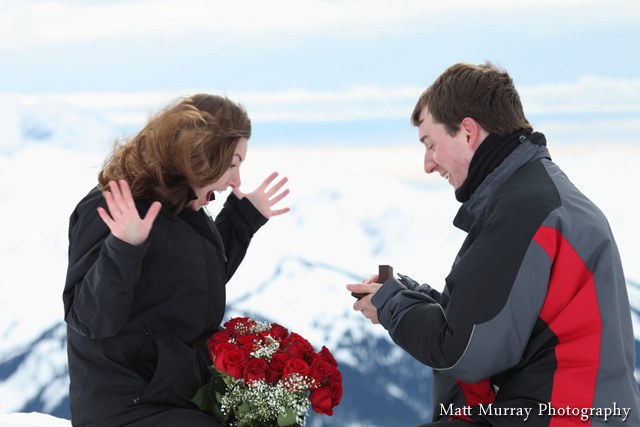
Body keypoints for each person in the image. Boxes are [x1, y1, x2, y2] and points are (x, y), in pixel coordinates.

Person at [347, 62, 640, 426]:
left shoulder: (524, 209)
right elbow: (495, 324)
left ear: (468, 132)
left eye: (431, 144)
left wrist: (393, 305)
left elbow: (466, 352)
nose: (427, 164)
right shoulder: (536, 195)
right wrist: (410, 295)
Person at [63, 94, 290, 427]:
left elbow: (192, 283)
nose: (237, 180)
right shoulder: (117, 208)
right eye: (232, 163)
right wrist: (124, 246)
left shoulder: (183, 210)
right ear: (201, 154)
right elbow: (90, 318)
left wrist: (244, 218)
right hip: (128, 407)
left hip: (178, 394)